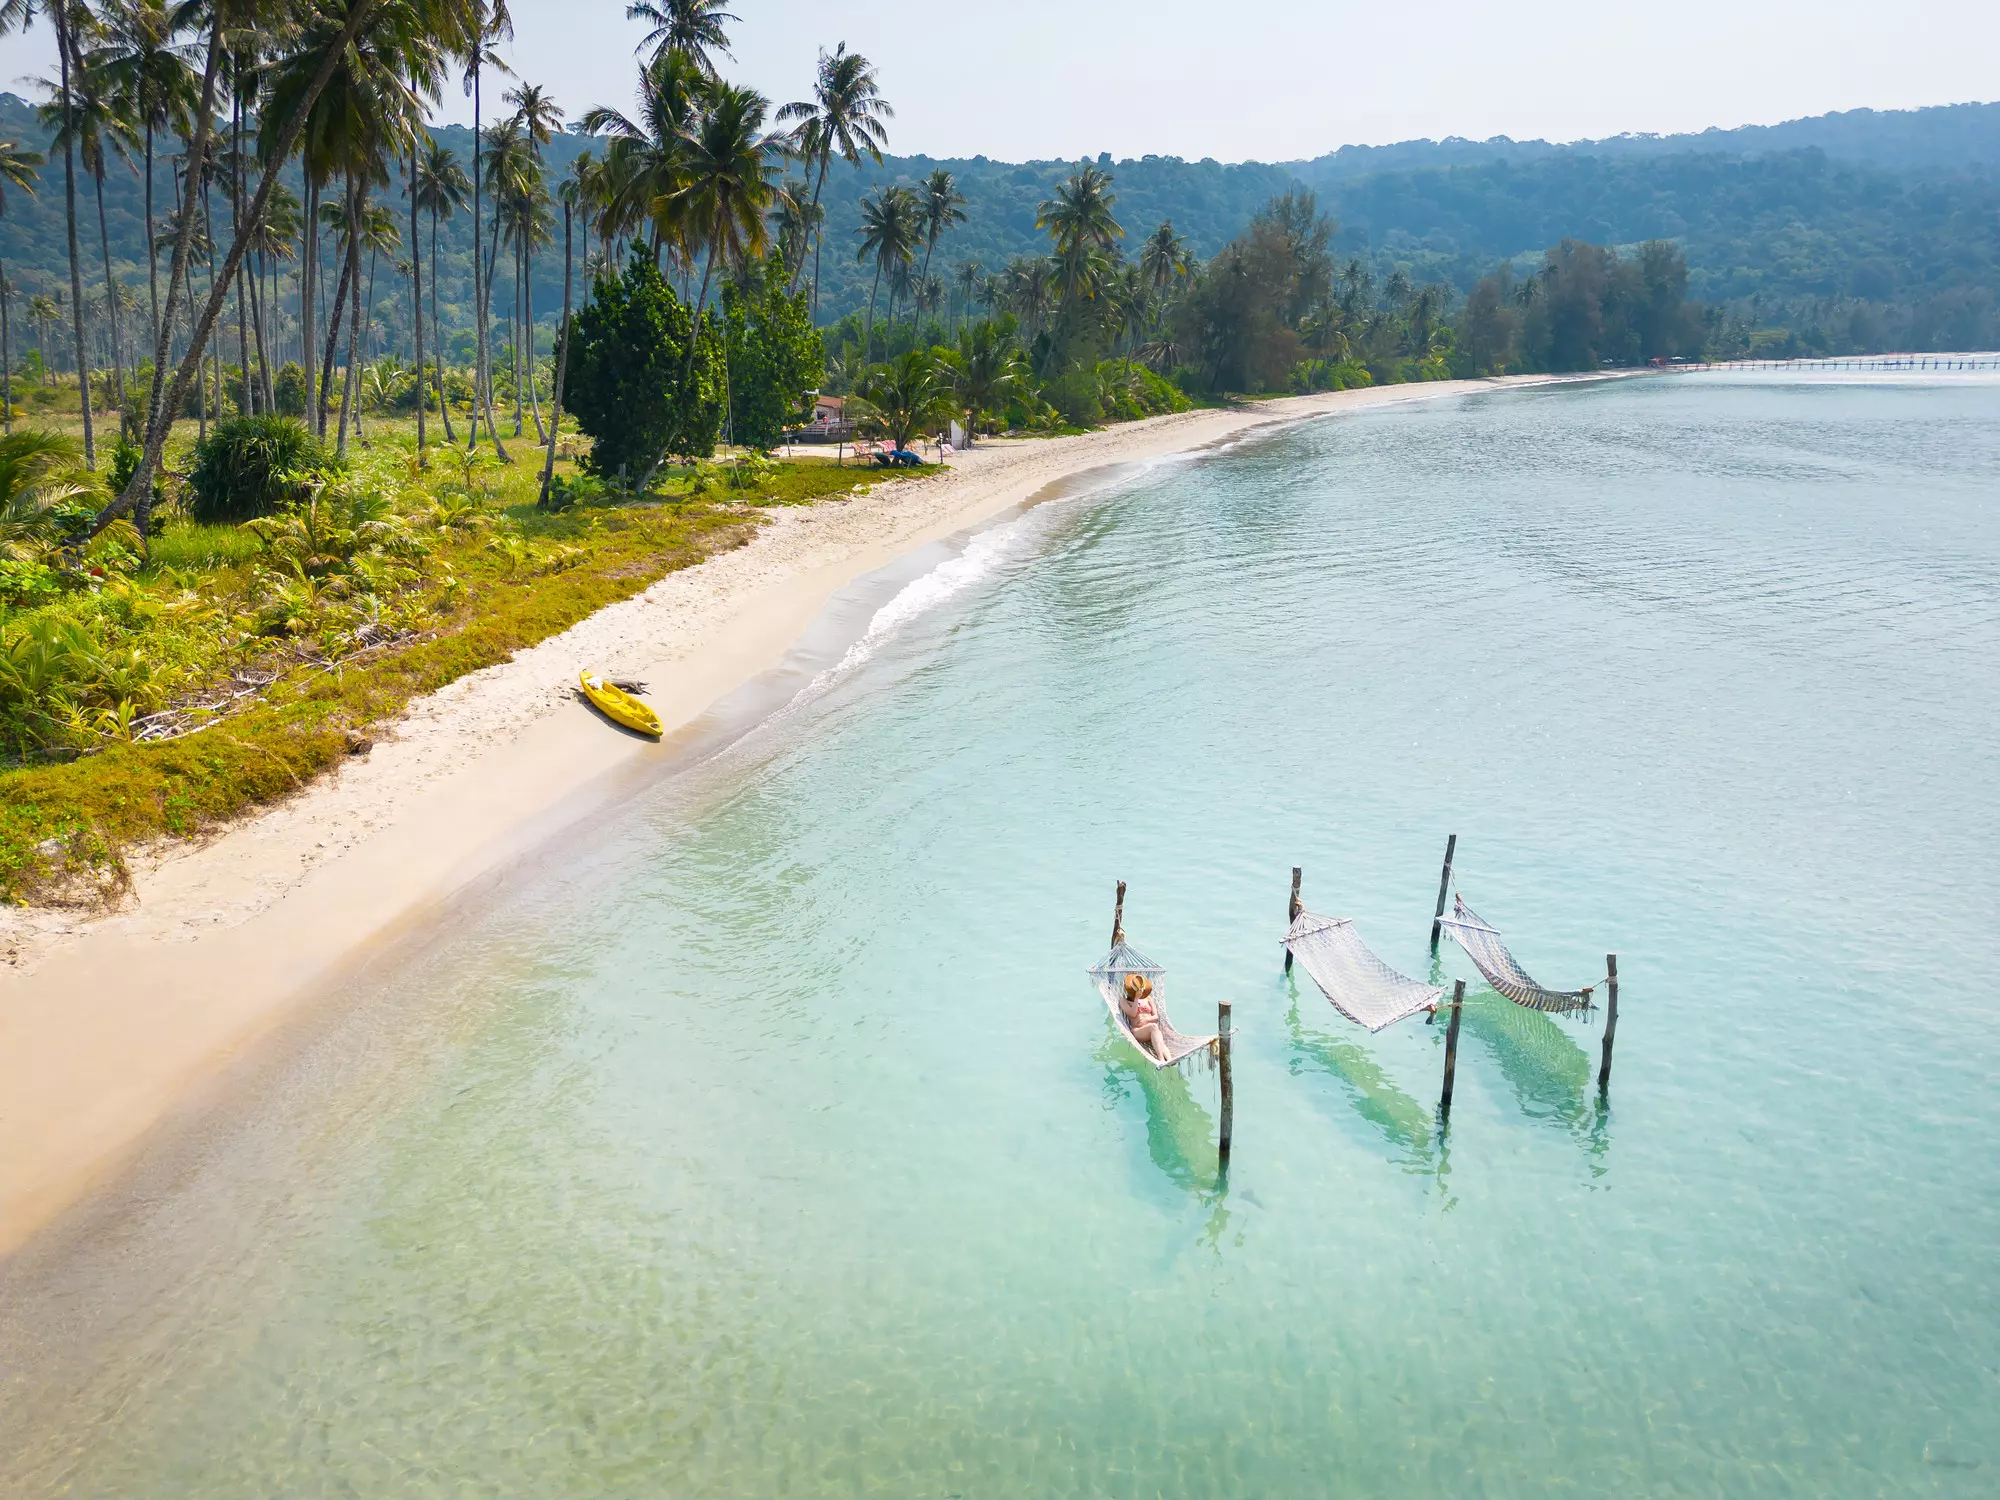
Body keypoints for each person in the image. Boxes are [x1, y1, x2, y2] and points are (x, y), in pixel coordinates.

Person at [1121, 972, 1172, 1064]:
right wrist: (1136, 999)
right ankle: (1160, 1059)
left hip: (1152, 1029)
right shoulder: (1123, 1001)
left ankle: (1169, 1060)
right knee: (1153, 1027)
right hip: (1137, 1030)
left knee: (1160, 1041)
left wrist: (1146, 1020)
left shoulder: (1148, 998)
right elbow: (1132, 1014)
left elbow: (1156, 1017)